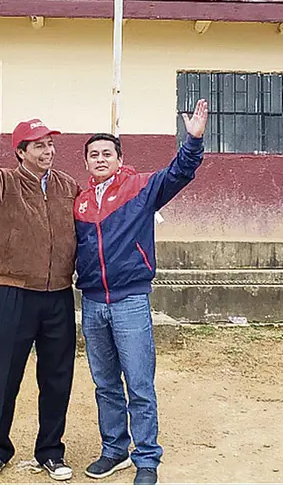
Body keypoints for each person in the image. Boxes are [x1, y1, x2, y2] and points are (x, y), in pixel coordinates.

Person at [75, 100, 208, 485]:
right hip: (93, 302)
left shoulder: (141, 187)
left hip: (130, 301)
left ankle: (146, 458)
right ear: (86, 163)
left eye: (107, 153)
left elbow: (181, 172)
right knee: (105, 384)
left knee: (139, 382)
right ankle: (114, 450)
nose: (100, 159)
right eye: (93, 155)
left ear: (119, 159)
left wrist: (193, 139)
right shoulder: (80, 203)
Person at [0, 100, 79, 482]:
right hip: (14, 294)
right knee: (6, 375)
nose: (49, 151)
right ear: (21, 152)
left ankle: (50, 451)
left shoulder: (67, 186)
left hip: (59, 295)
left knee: (58, 377)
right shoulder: (3, 183)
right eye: (39, 145)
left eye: (51, 145)